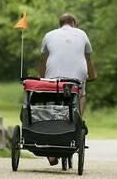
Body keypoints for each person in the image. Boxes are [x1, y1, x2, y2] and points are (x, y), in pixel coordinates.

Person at [39, 13, 96, 166]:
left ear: (60, 24)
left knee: (51, 97)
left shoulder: (49, 35)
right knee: (82, 93)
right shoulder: (82, 34)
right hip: (76, 79)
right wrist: (92, 75)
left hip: (53, 79)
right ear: (73, 23)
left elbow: (43, 60)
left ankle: (50, 145)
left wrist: (42, 79)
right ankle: (79, 119)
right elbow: (87, 58)